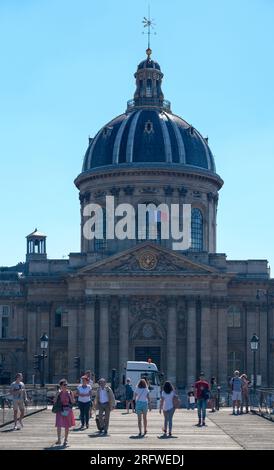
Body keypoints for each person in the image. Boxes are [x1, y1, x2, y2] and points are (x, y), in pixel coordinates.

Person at [54, 379, 75, 446]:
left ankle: (65, 439)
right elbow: (54, 402)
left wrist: (69, 395)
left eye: (66, 385)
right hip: (60, 410)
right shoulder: (59, 393)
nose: (66, 386)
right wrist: (57, 394)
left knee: (67, 425)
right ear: (61, 386)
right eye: (64, 385)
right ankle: (59, 440)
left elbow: (73, 402)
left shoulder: (70, 392)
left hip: (67, 410)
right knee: (59, 425)